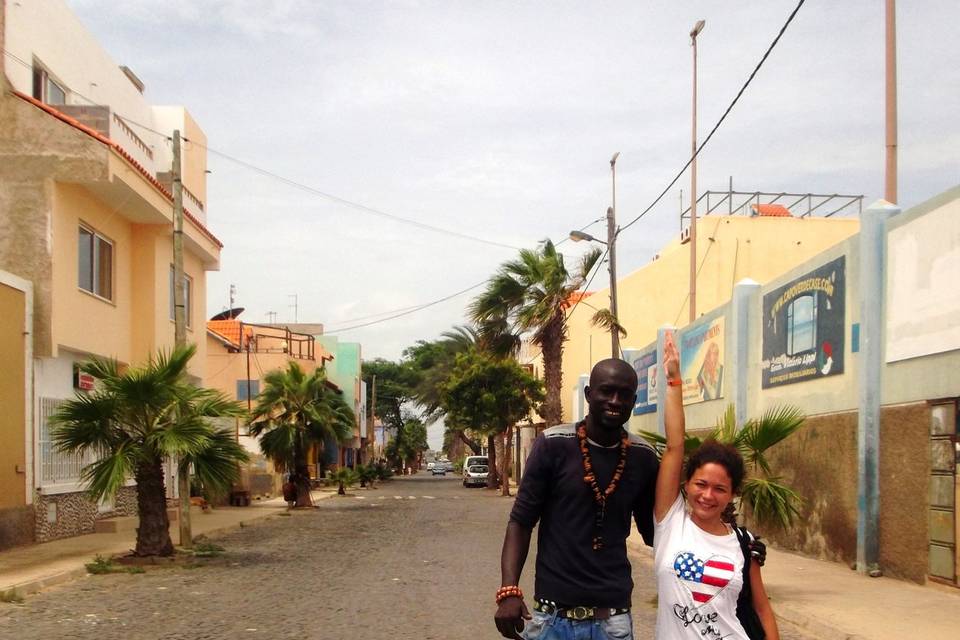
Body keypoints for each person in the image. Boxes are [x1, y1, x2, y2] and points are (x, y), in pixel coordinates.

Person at [494, 358, 659, 640]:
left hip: (613, 621)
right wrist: (509, 590)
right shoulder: (553, 444)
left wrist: (733, 543)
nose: (615, 400)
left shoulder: (642, 456)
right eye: (606, 391)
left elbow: (655, 531)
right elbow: (521, 522)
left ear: (634, 400)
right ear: (588, 394)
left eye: (625, 395)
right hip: (551, 618)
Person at [654, 332, 779, 639]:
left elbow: (762, 608)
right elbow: (674, 446)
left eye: (720, 489)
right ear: (686, 484)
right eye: (701, 484)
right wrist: (673, 382)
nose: (707, 495)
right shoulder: (671, 522)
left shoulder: (742, 542)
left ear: (733, 493)